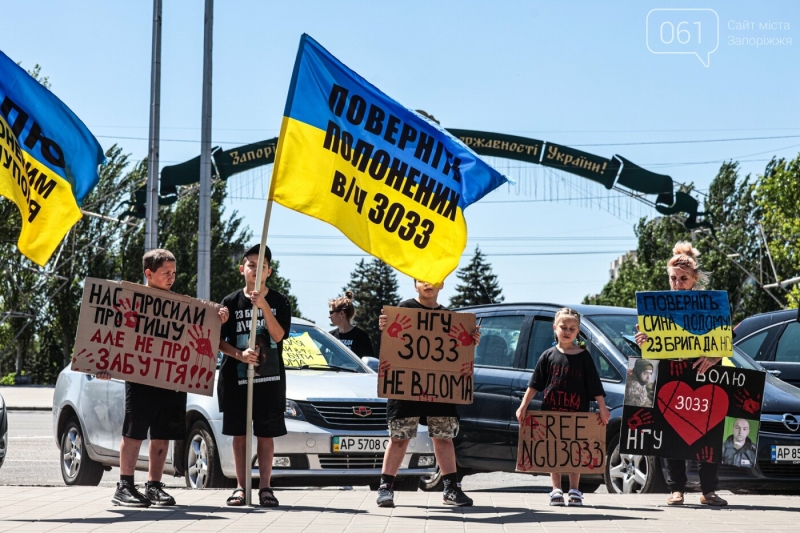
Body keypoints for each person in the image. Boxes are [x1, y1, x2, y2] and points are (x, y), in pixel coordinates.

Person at [98, 248, 229, 507]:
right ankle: (124, 486)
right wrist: (105, 365)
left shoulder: (183, 307)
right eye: (166, 273)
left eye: (174, 272)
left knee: (163, 433)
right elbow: (111, 333)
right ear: (149, 273)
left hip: (172, 378)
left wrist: (218, 320)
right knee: (134, 432)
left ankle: (154, 486)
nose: (172, 277)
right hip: (140, 377)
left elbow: (201, 336)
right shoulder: (132, 301)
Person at [634, 241, 728, 506]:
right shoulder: (656, 307)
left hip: (703, 374)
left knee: (709, 431)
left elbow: (725, 339)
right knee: (671, 431)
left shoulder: (710, 305)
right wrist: (644, 340)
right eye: (673, 278)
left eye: (683, 278)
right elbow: (650, 348)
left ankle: (708, 490)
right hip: (671, 374)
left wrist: (714, 356)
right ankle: (676, 490)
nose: (677, 283)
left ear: (694, 279)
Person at [375, 279, 480, 508]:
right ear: (414, 285)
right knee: (399, 439)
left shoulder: (450, 318)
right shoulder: (402, 310)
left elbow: (460, 349)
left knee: (443, 438)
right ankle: (386, 488)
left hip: (440, 388)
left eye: (432, 280)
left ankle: (451, 489)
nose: (427, 284)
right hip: (405, 386)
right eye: (421, 280)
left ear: (441, 285)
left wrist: (471, 342)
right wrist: (384, 325)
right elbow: (391, 343)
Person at [218, 244, 291, 507]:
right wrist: (239, 355)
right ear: (242, 269)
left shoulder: (280, 301)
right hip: (236, 379)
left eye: (261, 266)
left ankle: (266, 488)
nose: (255, 270)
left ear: (268, 272)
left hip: (269, 379)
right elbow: (217, 340)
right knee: (239, 434)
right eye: (250, 265)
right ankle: (241, 487)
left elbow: (279, 335)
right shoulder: (229, 302)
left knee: (265, 434)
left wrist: (264, 307)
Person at [514, 308, 610, 507]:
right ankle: (556, 489)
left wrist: (603, 408)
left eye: (572, 328)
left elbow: (594, 385)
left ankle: (575, 490)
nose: (567, 331)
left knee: (575, 450)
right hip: (551, 412)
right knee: (554, 450)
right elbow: (534, 384)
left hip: (578, 413)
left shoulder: (584, 356)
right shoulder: (548, 356)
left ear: (578, 331)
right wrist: (523, 406)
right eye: (563, 327)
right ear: (555, 328)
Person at [328, 290, 374, 358]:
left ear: (342, 314)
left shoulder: (360, 336)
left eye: (331, 312)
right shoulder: (330, 336)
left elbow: (369, 363)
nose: (329, 316)